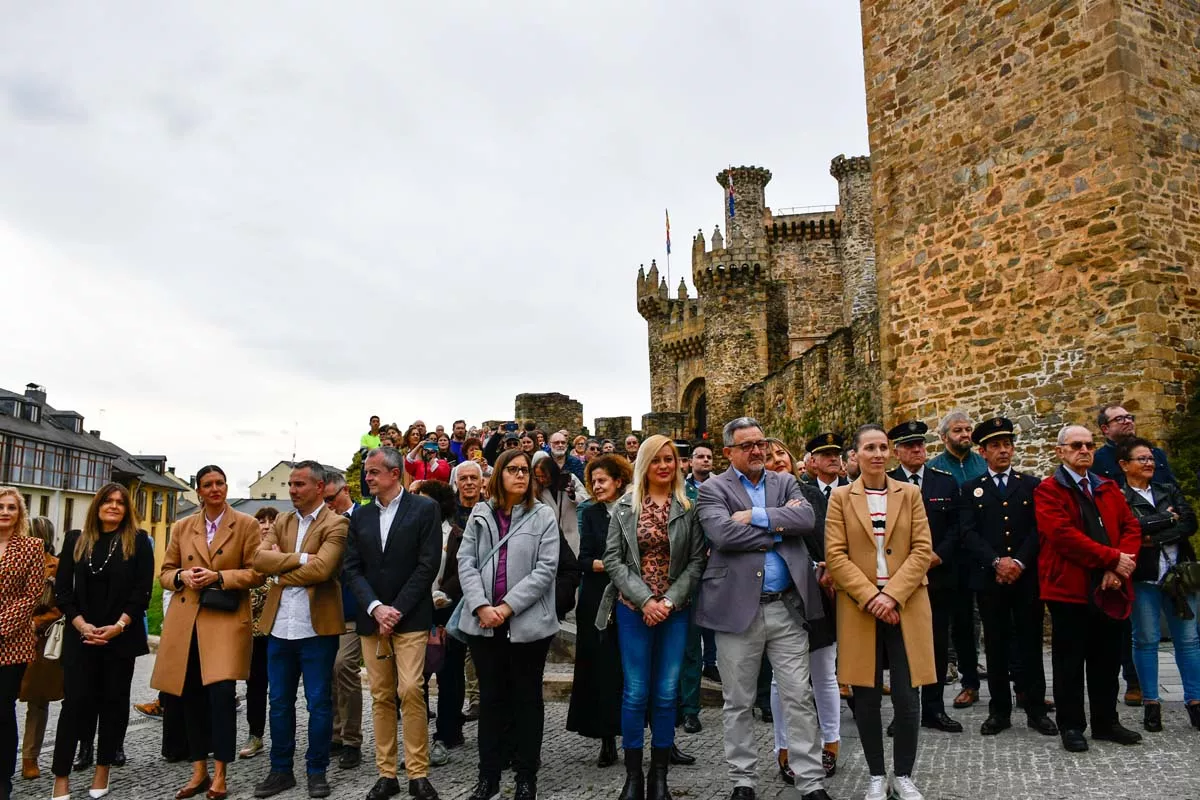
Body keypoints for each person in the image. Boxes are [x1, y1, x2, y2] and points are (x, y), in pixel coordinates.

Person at [695, 417, 832, 800]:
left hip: (787, 608)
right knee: (738, 701)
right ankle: (743, 780)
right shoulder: (711, 489)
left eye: (761, 443)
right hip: (736, 611)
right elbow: (722, 534)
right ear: (728, 452)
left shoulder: (785, 482)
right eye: (747, 445)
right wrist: (777, 530)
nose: (757, 451)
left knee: (799, 697)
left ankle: (810, 781)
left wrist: (755, 516)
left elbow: (805, 518)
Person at [824, 424, 934, 800]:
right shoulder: (840, 497)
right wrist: (871, 596)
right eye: (869, 447)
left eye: (883, 447)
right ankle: (876, 774)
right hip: (859, 606)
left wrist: (893, 595)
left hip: (906, 604)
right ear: (855, 455)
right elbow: (835, 555)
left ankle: (903, 774)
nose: (877, 454)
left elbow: (922, 549)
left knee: (907, 694)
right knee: (866, 695)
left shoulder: (911, 494)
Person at [596, 437, 706, 800]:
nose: (664, 466)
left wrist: (670, 601)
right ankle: (633, 777)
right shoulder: (626, 506)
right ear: (645, 463)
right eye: (657, 459)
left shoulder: (688, 506)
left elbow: (696, 560)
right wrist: (645, 600)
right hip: (633, 608)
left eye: (670, 459)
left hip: (674, 609)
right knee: (635, 692)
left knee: (665, 692)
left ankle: (659, 775)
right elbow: (613, 559)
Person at [151, 465, 265, 800]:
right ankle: (198, 769)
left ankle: (220, 774)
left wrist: (217, 577)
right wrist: (183, 577)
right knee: (190, 698)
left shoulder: (246, 524)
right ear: (198, 491)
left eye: (220, 483)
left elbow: (257, 573)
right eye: (207, 485)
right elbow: (165, 573)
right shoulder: (184, 526)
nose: (215, 489)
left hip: (225, 619)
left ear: (227, 487)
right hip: (186, 621)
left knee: (221, 698)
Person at [456, 448, 560, 800]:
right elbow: (465, 562)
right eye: (512, 469)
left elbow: (546, 569)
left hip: (528, 624)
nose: (520, 475)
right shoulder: (480, 514)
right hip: (484, 624)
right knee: (491, 700)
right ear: (498, 474)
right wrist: (482, 606)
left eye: (525, 471)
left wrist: (508, 607)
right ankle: (488, 777)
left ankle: (526, 776)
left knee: (527, 700)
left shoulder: (543, 515)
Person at [1034, 424, 1142, 753]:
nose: (1085, 450)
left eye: (1089, 445)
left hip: (1110, 587)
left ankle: (1106, 721)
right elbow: (1064, 536)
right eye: (1077, 445)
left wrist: (1119, 569)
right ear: (1061, 451)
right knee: (1069, 661)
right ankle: (1071, 725)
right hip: (1070, 588)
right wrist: (1111, 560)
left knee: (1107, 658)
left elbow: (1131, 526)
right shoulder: (1049, 490)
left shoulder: (1107, 487)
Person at [344, 447, 442, 800]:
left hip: (411, 618)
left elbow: (427, 565)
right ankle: (387, 774)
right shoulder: (360, 516)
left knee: (412, 690)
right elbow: (351, 568)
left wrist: (395, 610)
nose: (367, 478)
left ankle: (418, 773)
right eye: (367, 473)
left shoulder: (425, 509)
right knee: (382, 696)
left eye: (372, 472)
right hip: (372, 621)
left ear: (394, 473)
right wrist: (375, 608)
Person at [251, 461, 350, 799]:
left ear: (320, 487)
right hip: (280, 628)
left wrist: (280, 570)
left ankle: (316, 771)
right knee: (278, 702)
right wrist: (302, 558)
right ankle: (281, 771)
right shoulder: (282, 520)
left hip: (316, 630)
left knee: (319, 703)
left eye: (299, 484)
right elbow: (258, 561)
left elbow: (323, 570)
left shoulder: (336, 524)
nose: (292, 490)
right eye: (290, 484)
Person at [52, 483, 154, 800]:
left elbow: (142, 593)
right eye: (107, 501)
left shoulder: (137, 542)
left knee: (112, 704)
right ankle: (61, 777)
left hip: (119, 638)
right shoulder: (75, 540)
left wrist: (118, 626)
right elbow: (62, 592)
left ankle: (102, 769)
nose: (113, 506)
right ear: (97, 506)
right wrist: (81, 625)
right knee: (74, 706)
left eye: (120, 503)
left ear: (127, 510)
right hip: (80, 637)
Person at [958, 418, 1057, 737]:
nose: (1003, 451)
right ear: (982, 452)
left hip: (1025, 578)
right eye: (995, 446)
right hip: (991, 579)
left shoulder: (1031, 485)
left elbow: (1038, 529)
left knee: (1030, 643)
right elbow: (968, 532)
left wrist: (1018, 561)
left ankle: (1036, 709)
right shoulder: (971, 489)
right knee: (996, 644)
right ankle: (999, 711)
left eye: (1007, 445)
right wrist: (996, 561)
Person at [763, 440, 841, 781]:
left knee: (824, 674)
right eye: (767, 457)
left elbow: (827, 540)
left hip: (817, 595)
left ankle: (830, 743)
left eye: (781, 453)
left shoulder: (811, 494)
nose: (776, 460)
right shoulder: (756, 500)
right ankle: (786, 747)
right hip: (779, 598)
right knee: (783, 681)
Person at [885, 421, 965, 735]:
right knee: (900, 647)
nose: (917, 450)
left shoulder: (944, 483)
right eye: (909, 445)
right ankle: (904, 713)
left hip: (938, 576)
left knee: (936, 644)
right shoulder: (886, 483)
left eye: (920, 444)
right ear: (897, 451)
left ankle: (934, 709)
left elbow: (957, 527)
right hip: (900, 580)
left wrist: (937, 556)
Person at [1117, 436, 1200, 731]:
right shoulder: (1120, 497)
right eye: (1142, 458)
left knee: (1188, 640)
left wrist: (1155, 535)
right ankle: (1151, 702)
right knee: (1146, 639)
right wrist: (1166, 520)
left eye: (1151, 458)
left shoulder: (1168, 489)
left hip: (1180, 575)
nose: (1149, 462)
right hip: (1145, 577)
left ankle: (1195, 701)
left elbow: (1189, 522)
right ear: (1125, 465)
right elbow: (1127, 529)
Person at [568, 455, 632, 766]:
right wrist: (609, 564)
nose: (596, 486)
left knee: (634, 666)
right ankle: (607, 738)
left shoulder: (634, 508)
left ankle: (661, 738)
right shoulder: (590, 512)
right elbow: (583, 558)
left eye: (602, 480)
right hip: (597, 596)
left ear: (619, 480)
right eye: (593, 481)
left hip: (631, 593)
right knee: (601, 668)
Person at [927, 411, 987, 711]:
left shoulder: (982, 464)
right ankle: (968, 682)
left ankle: (1021, 684)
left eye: (967, 429)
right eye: (958, 430)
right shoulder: (935, 469)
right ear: (944, 436)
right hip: (952, 559)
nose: (965, 435)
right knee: (960, 623)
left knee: (1001, 623)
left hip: (985, 554)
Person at [415, 480, 467, 764]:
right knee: (416, 677)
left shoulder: (457, 534)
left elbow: (464, 570)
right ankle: (418, 734)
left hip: (447, 612)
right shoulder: (412, 533)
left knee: (450, 675)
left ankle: (447, 732)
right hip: (416, 612)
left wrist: (443, 593)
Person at [0, 489, 44, 799]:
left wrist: (1, 627)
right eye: (0, 506)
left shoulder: (32, 547)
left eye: (11, 507)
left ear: (20, 513)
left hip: (11, 642)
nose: (4, 511)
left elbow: (30, 596)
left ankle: (3, 779)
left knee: (2, 711)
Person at [322, 473, 364, 770]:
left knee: (344, 667)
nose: (328, 505)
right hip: (327, 609)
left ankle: (351, 740)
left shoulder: (365, 517)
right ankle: (335, 735)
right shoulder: (322, 522)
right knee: (329, 673)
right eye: (323, 500)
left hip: (356, 608)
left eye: (331, 499)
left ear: (345, 491)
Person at [20, 515, 64, 782]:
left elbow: (60, 606)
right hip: (7, 636)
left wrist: (35, 622)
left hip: (37, 641)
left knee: (37, 702)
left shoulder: (56, 567)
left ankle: (30, 757)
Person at [240, 507, 280, 760]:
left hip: (278, 631)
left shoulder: (282, 553)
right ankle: (255, 734)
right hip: (251, 633)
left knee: (280, 689)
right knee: (254, 685)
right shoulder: (246, 556)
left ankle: (282, 738)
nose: (265, 526)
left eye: (270, 521)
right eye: (260, 521)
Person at [1093, 404, 1176, 485]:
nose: (1128, 421)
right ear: (1105, 428)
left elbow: (1174, 490)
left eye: (1129, 417)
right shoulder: (1098, 461)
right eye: (1119, 419)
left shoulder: (1156, 454)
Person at [531, 451, 585, 556]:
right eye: (538, 476)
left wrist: (573, 495)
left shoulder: (569, 478)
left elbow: (586, 499)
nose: (542, 480)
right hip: (550, 537)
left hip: (572, 533)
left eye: (544, 476)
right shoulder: (537, 489)